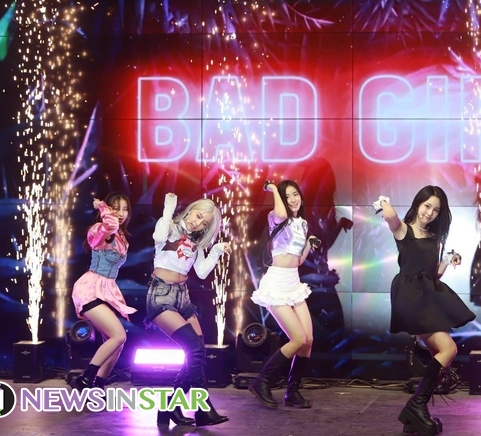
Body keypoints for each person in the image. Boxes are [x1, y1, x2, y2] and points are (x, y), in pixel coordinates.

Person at [374, 186, 475, 436]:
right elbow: (390, 217)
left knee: (442, 355)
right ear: (418, 204)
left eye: (436, 210)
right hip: (411, 297)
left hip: (428, 296)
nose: (430, 213)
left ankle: (416, 414)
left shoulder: (433, 237)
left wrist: (448, 260)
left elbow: (434, 274)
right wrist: (384, 202)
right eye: (427, 206)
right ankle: (415, 406)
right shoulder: (403, 229)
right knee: (448, 349)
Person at [145, 193, 231, 427]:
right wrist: (168, 209)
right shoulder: (169, 227)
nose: (197, 223)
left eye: (204, 223)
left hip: (183, 297)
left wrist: (216, 250)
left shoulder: (196, 242)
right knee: (193, 348)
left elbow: (201, 272)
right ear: (191, 209)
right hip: (161, 294)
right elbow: (158, 236)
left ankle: (169, 406)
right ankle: (203, 409)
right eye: (198, 216)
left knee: (197, 350)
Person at [249, 179, 319, 409]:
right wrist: (272, 188)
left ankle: (292, 392)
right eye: (287, 196)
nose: (293, 199)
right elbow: (280, 212)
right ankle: (262, 381)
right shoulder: (276, 217)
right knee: (297, 339)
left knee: (308, 341)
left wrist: (308, 244)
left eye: (295, 194)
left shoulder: (303, 223)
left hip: (294, 283)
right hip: (277, 283)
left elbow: (297, 261)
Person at [70, 192, 137, 391]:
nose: (121, 213)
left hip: (105, 291)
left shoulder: (121, 237)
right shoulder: (100, 230)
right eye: (116, 208)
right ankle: (85, 379)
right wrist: (103, 208)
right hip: (89, 289)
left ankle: (98, 386)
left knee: (116, 343)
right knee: (119, 336)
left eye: (125, 209)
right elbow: (111, 225)